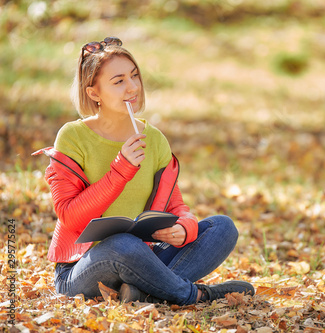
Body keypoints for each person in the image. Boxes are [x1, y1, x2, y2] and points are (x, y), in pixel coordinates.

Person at [33, 37, 254, 305]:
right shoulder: (73, 136)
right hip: (83, 268)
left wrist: (185, 227)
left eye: (134, 76)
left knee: (223, 227)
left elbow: (176, 205)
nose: (133, 87)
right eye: (119, 81)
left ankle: (142, 292)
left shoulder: (154, 138)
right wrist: (120, 170)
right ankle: (194, 294)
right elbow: (69, 217)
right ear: (94, 94)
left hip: (145, 257)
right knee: (123, 244)